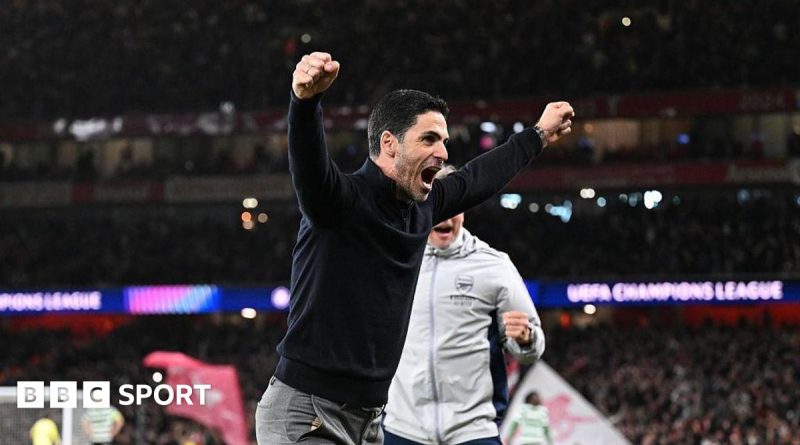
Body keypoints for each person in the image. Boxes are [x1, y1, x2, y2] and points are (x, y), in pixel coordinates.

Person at [255, 51, 573, 445]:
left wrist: (538, 134)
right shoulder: (339, 201)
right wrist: (304, 102)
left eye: (443, 141)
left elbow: (479, 178)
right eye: (429, 139)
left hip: (370, 421)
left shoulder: (423, 207)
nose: (443, 153)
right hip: (307, 413)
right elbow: (308, 166)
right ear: (389, 143)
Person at [383, 165, 545, 445]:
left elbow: (532, 346)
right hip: (403, 428)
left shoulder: (493, 266)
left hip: (472, 431)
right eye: (438, 206)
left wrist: (526, 338)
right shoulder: (394, 260)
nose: (446, 216)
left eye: (453, 207)